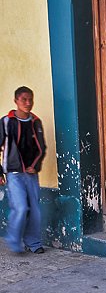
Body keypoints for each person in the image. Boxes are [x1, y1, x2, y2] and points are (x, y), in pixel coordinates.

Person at [0, 86, 46, 254]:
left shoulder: (36, 122)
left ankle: (33, 243)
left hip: (31, 175)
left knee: (35, 210)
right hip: (14, 173)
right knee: (20, 208)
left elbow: (42, 148)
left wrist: (36, 166)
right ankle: (13, 239)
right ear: (16, 101)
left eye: (30, 99)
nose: (28, 103)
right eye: (24, 99)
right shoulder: (6, 122)